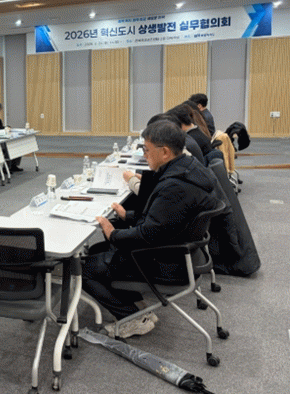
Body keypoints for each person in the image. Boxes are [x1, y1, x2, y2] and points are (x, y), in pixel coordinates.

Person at [82, 120, 218, 338]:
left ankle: (132, 318)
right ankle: (139, 308)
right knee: (98, 250)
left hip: (165, 262)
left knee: (84, 268)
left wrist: (113, 233)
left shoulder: (174, 187)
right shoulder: (188, 168)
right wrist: (127, 216)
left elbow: (148, 233)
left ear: (164, 152)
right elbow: (166, 219)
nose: (144, 155)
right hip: (181, 252)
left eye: (146, 150)